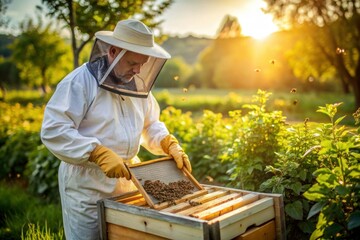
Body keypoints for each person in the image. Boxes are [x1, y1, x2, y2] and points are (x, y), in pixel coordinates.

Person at [40, 19, 192, 240]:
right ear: (112, 51)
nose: (138, 69)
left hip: (129, 181)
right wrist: (96, 153)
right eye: (132, 62)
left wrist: (168, 142)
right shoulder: (79, 82)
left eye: (143, 63)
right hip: (88, 186)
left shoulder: (138, 86)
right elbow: (54, 130)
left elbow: (150, 125)